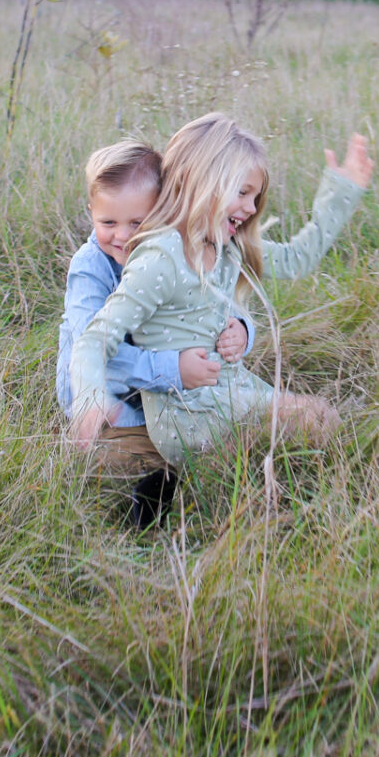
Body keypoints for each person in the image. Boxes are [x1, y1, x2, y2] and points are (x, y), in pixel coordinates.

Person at [68, 112, 373, 470]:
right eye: (242, 192)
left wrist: (342, 194)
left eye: (255, 196)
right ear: (201, 182)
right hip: (187, 412)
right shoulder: (160, 258)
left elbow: (295, 260)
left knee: (325, 420)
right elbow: (93, 338)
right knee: (314, 420)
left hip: (227, 390)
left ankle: (218, 473)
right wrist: (91, 398)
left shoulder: (227, 246)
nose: (250, 207)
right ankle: (190, 474)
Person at [56, 140, 252, 522]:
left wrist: (242, 331)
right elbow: (91, 347)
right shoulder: (91, 268)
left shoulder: (179, 252)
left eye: (138, 222)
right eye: (108, 223)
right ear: (91, 214)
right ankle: (155, 479)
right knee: (115, 452)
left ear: (164, 212)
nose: (122, 236)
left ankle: (180, 459)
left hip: (170, 393)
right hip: (109, 397)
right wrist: (172, 368)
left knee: (226, 426)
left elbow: (223, 303)